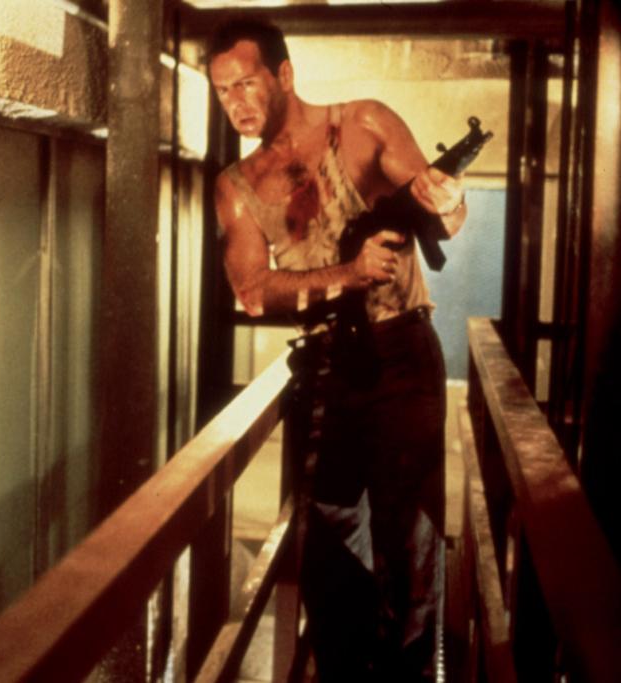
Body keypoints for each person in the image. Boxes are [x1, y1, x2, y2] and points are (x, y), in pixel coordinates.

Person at [206, 19, 467, 683]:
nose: (236, 102)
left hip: (402, 352)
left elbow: (440, 215)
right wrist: (347, 274)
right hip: (327, 365)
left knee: (409, 536)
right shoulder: (237, 185)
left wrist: (450, 202)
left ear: (284, 75)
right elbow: (253, 291)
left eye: (246, 83)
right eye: (223, 90)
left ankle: (411, 676)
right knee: (329, 540)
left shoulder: (363, 124)